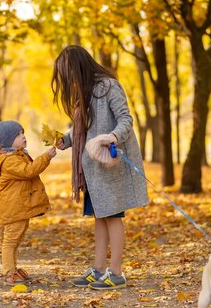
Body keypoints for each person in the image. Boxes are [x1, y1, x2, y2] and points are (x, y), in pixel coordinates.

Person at [52, 45, 149, 290]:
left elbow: (126, 119)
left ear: (79, 67)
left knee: (112, 217)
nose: (67, 79)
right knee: (100, 217)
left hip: (109, 164)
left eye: (68, 73)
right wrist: (65, 140)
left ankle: (116, 272)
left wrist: (113, 137)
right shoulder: (84, 92)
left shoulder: (108, 86)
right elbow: (83, 129)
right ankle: (98, 269)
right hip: (93, 170)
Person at [0, 120, 57, 285]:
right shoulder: (9, 161)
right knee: (11, 240)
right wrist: (46, 157)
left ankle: (12, 269)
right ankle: (8, 272)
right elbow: (29, 171)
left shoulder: (17, 155)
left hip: (19, 205)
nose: (23, 136)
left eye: (22, 133)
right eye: (18, 135)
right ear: (8, 141)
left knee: (16, 239)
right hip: (14, 206)